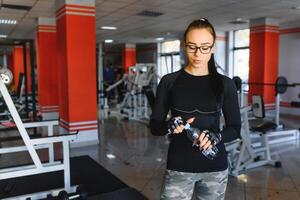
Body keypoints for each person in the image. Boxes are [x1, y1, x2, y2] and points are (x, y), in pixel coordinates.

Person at [150, 18, 241, 200]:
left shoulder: (225, 84)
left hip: (214, 167)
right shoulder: (169, 81)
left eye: (205, 47)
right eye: (192, 47)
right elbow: (155, 127)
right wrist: (169, 125)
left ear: (213, 47)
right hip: (179, 166)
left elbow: (235, 129)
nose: (198, 54)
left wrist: (217, 137)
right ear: (184, 46)